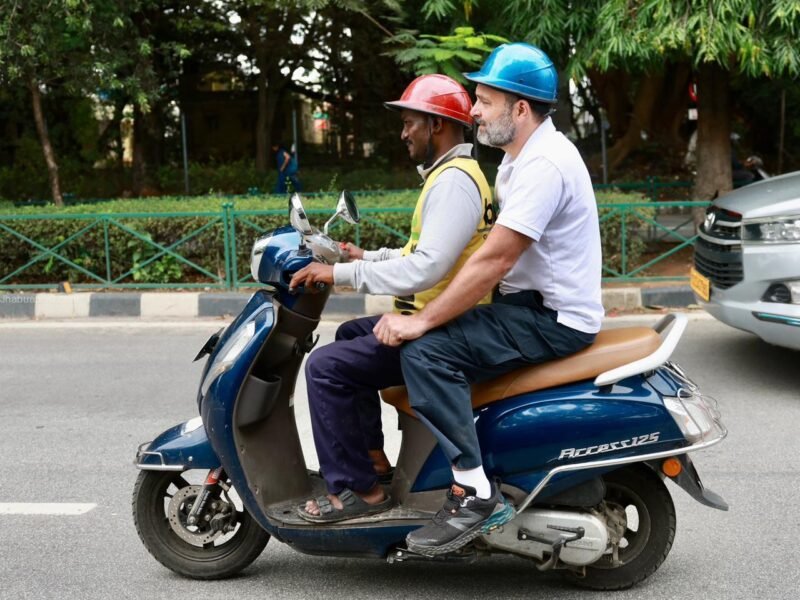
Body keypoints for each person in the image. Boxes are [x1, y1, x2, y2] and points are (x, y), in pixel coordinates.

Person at [372, 43, 604, 556]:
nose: (473, 111)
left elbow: (495, 260)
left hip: (551, 318)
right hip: (526, 306)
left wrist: (421, 320)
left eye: (484, 100)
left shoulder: (545, 165)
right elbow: (483, 254)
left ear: (520, 109)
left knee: (426, 350)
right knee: (429, 336)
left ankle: (475, 491)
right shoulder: (514, 162)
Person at [288, 74, 496, 522]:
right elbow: (422, 253)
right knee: (348, 334)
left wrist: (341, 273)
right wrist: (364, 254)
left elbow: (427, 268)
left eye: (409, 123)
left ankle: (357, 491)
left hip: (443, 330)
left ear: (436, 125)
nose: (404, 133)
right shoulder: (452, 175)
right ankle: (373, 460)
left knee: (324, 369)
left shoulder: (454, 182)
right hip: (440, 319)